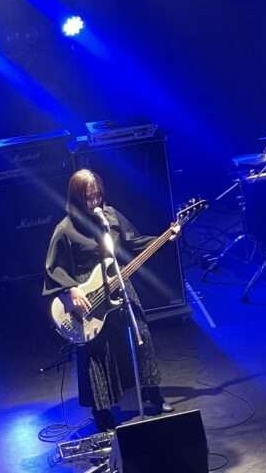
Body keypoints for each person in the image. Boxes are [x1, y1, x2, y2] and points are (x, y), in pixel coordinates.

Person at [43, 169, 179, 432]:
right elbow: (53, 268)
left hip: (118, 283)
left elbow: (134, 242)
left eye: (97, 195)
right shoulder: (65, 229)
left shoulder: (111, 216)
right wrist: (71, 290)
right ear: (76, 197)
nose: (94, 201)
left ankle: (153, 395)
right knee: (97, 353)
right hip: (87, 297)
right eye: (88, 198)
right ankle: (101, 412)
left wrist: (165, 239)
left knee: (141, 335)